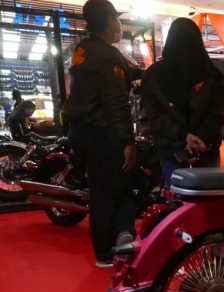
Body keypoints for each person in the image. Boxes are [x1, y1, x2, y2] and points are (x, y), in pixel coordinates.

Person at [61, 0, 136, 267]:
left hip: (79, 132)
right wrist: (128, 141)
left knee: (102, 191)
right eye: (117, 19)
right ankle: (107, 253)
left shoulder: (83, 49)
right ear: (110, 20)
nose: (119, 25)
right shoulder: (109, 55)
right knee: (115, 194)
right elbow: (117, 103)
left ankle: (119, 238)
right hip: (102, 133)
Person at [142, 18, 224, 187]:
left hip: (171, 146)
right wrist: (199, 136)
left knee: (176, 195)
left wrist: (184, 136)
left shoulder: (154, 74)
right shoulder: (211, 73)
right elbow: (218, 112)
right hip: (206, 145)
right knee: (208, 195)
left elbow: (155, 116)